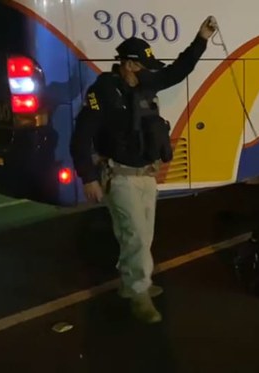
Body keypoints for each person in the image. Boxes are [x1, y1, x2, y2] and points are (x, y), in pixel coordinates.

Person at [70, 16, 218, 323]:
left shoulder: (147, 84)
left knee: (142, 236)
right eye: (144, 66)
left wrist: (201, 38)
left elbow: (179, 69)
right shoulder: (104, 92)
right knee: (135, 235)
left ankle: (132, 284)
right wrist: (89, 178)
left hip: (146, 176)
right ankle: (139, 295)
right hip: (119, 177)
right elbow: (81, 137)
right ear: (129, 65)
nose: (149, 72)